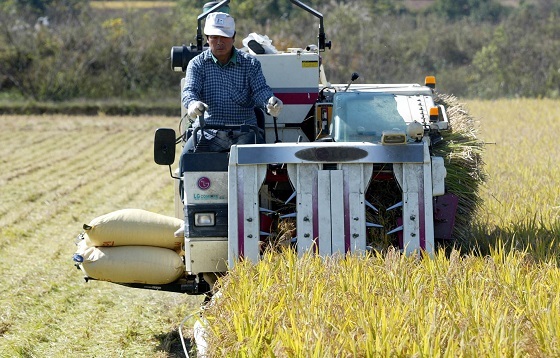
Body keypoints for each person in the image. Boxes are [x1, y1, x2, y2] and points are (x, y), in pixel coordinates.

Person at [181, 12, 283, 153]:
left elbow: (260, 90)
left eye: (224, 36)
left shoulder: (250, 63)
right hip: (208, 133)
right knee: (186, 161)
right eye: (214, 37)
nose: (219, 42)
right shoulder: (197, 64)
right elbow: (189, 91)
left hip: (245, 134)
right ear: (207, 38)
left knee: (262, 165)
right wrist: (192, 104)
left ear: (233, 37)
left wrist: (270, 103)